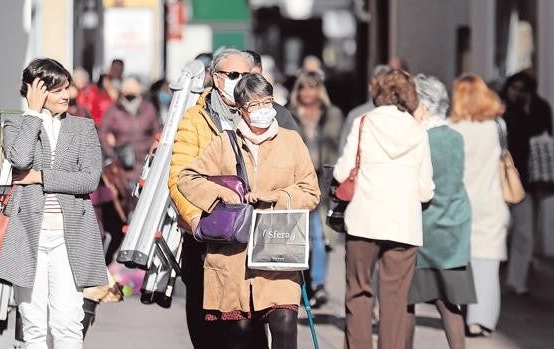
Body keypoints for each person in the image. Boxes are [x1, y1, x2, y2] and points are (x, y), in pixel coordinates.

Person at [177, 73, 321, 349]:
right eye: (254, 105)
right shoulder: (224, 143)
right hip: (235, 257)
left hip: (279, 249)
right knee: (243, 335)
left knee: (285, 324)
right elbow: (187, 178)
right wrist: (221, 193)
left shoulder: (291, 142)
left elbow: (311, 191)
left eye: (267, 102)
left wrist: (276, 197)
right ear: (241, 109)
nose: (263, 110)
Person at [0, 58, 108, 348]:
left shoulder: (83, 128)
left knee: (68, 323)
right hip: (26, 236)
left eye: (67, 88)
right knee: (32, 326)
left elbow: (89, 179)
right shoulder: (16, 125)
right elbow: (19, 159)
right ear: (37, 92)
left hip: (70, 238)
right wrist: (32, 112)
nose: (66, 95)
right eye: (57, 90)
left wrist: (39, 177)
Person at [167, 47, 264, 348]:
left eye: (245, 76)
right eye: (233, 75)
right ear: (215, 77)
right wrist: (197, 220)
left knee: (248, 325)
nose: (239, 82)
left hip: (250, 234)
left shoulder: (263, 115)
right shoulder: (196, 119)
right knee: (206, 322)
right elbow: (178, 177)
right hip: (206, 235)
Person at [334, 68, 435, 349]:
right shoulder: (418, 130)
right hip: (403, 223)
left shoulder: (364, 122)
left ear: (377, 91)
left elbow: (343, 173)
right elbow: (426, 188)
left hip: (364, 219)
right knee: (395, 300)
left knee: (358, 292)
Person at [406, 74, 477, 349]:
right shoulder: (455, 136)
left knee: (407, 301)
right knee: (449, 303)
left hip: (424, 228)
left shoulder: (419, 138)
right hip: (454, 228)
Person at [449, 73, 509, 337]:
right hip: (493, 201)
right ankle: (482, 318)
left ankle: (466, 314)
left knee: (466, 262)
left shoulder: (455, 128)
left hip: (463, 201)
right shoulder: (497, 126)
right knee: (488, 263)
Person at [288, 70, 344, 308]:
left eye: (313, 86)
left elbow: (338, 147)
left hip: (323, 184)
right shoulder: (289, 115)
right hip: (298, 182)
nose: (308, 92)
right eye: (303, 86)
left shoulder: (332, 115)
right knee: (301, 237)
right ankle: (304, 284)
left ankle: (318, 284)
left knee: (320, 237)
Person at [500, 71, 554, 296]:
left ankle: (517, 280)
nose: (516, 93)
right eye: (514, 88)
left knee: (523, 232)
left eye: (521, 89)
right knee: (506, 229)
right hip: (506, 177)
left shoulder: (538, 109)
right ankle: (506, 277)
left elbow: (546, 136)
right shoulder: (502, 110)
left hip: (526, 180)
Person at [98, 75, 161, 190]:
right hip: (124, 167)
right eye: (127, 88)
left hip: (146, 164)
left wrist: (154, 152)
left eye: (133, 88)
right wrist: (112, 154)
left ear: (139, 89)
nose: (130, 91)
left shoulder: (148, 108)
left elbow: (158, 131)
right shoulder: (114, 110)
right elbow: (102, 133)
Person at [243, 49, 299, 131]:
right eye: (244, 76)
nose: (249, 82)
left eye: (255, 77)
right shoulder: (224, 114)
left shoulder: (281, 115)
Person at [339, 64, 390, 151]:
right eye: (379, 87)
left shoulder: (401, 116)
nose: (383, 92)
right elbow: (344, 150)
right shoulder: (356, 116)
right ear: (370, 87)